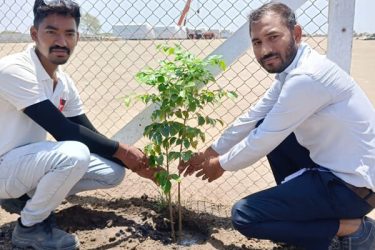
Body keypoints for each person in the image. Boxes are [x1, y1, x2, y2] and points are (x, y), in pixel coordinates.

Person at [179, 2, 375, 250]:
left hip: (353, 189)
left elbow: (264, 138)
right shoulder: (293, 70)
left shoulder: (306, 77)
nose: (265, 50)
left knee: (244, 216)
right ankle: (316, 224)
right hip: (341, 172)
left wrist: (221, 165)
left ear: (296, 34)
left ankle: (355, 229)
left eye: (273, 37)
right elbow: (254, 117)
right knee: (263, 122)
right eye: (257, 42)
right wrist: (211, 152)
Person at [0, 0, 160, 249]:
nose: (61, 41)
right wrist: (125, 152)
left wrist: (136, 165)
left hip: (21, 165)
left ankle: (24, 199)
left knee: (112, 172)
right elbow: (63, 131)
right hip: (3, 166)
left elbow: (88, 131)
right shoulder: (14, 69)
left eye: (69, 33)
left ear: (77, 37)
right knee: (74, 154)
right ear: (34, 34)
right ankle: (30, 228)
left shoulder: (63, 82)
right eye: (51, 32)